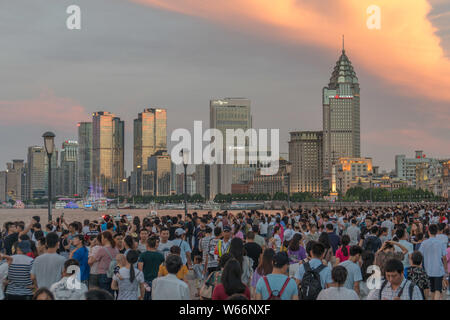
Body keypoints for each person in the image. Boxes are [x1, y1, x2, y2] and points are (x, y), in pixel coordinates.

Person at [418, 224, 448, 300]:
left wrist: (420, 266)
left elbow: (420, 256)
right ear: (437, 232)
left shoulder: (424, 243)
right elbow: (444, 258)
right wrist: (446, 269)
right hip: (438, 270)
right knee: (438, 289)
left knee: (432, 290)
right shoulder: (441, 243)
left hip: (428, 270)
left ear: (428, 232)